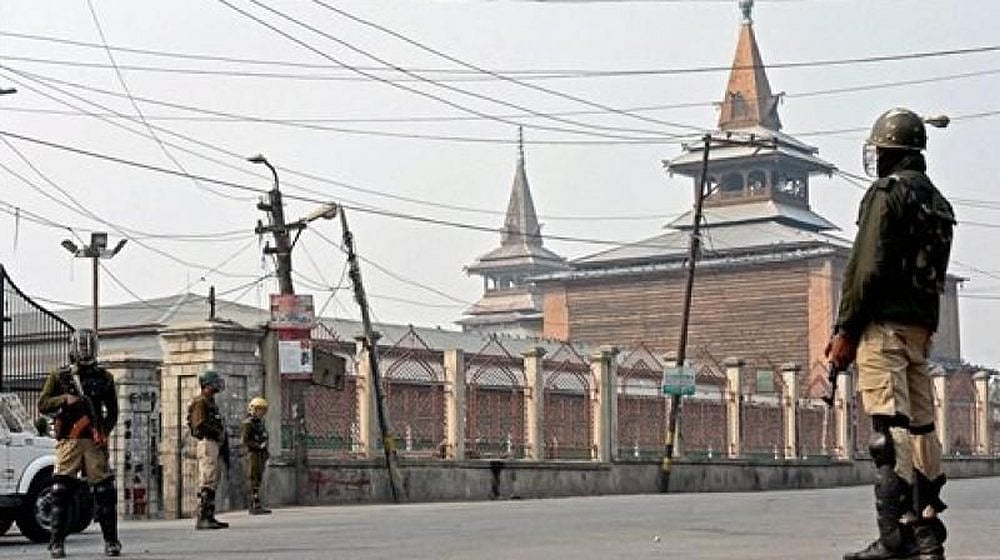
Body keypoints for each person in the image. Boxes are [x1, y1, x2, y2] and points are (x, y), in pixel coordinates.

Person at [826, 107, 955, 560]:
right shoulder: (938, 203)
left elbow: (865, 267)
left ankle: (895, 536)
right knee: (921, 428)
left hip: (883, 327)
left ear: (889, 151)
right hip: (921, 328)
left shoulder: (887, 193)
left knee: (888, 431)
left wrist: (845, 329)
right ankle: (927, 533)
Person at [38, 328, 121, 558]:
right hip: (69, 440)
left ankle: (111, 542)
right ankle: (56, 542)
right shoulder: (60, 376)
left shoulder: (104, 378)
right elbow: (43, 404)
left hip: (93, 440)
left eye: (88, 346)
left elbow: (113, 411)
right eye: (81, 346)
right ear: (73, 348)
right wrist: (64, 399)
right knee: (60, 490)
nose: (85, 350)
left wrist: (103, 431)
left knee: (104, 491)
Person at [187, 369, 230, 530]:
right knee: (208, 478)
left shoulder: (210, 401)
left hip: (214, 443)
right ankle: (203, 517)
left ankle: (210, 516)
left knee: (213, 478)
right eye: (214, 383)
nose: (217, 386)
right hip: (207, 442)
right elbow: (200, 424)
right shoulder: (201, 402)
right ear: (206, 386)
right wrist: (216, 432)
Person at [240, 396, 272, 515]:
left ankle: (257, 503)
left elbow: (264, 436)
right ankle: (253, 505)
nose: (261, 412)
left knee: (258, 478)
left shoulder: (260, 423)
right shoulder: (248, 423)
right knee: (253, 478)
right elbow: (245, 440)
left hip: (260, 453)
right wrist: (258, 446)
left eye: (263, 410)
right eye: (259, 409)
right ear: (253, 409)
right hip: (252, 453)